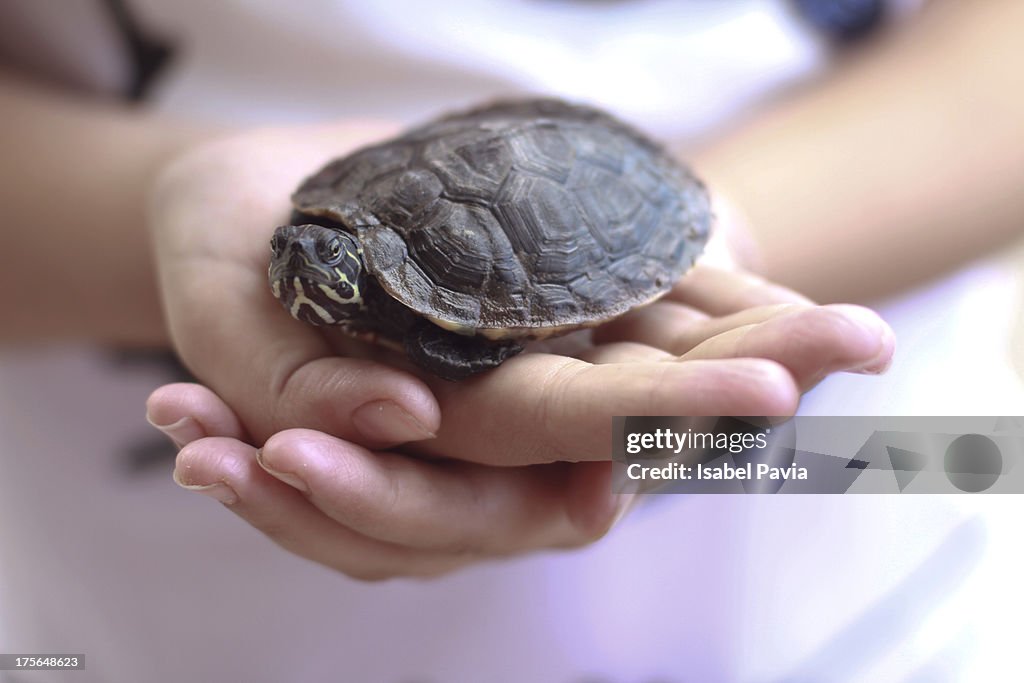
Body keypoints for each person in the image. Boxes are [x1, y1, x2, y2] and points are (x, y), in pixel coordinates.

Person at [0, 0, 1019, 680]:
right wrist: (146, 221)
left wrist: (740, 226)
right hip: (167, 630)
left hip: (877, 527)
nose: (310, 282)